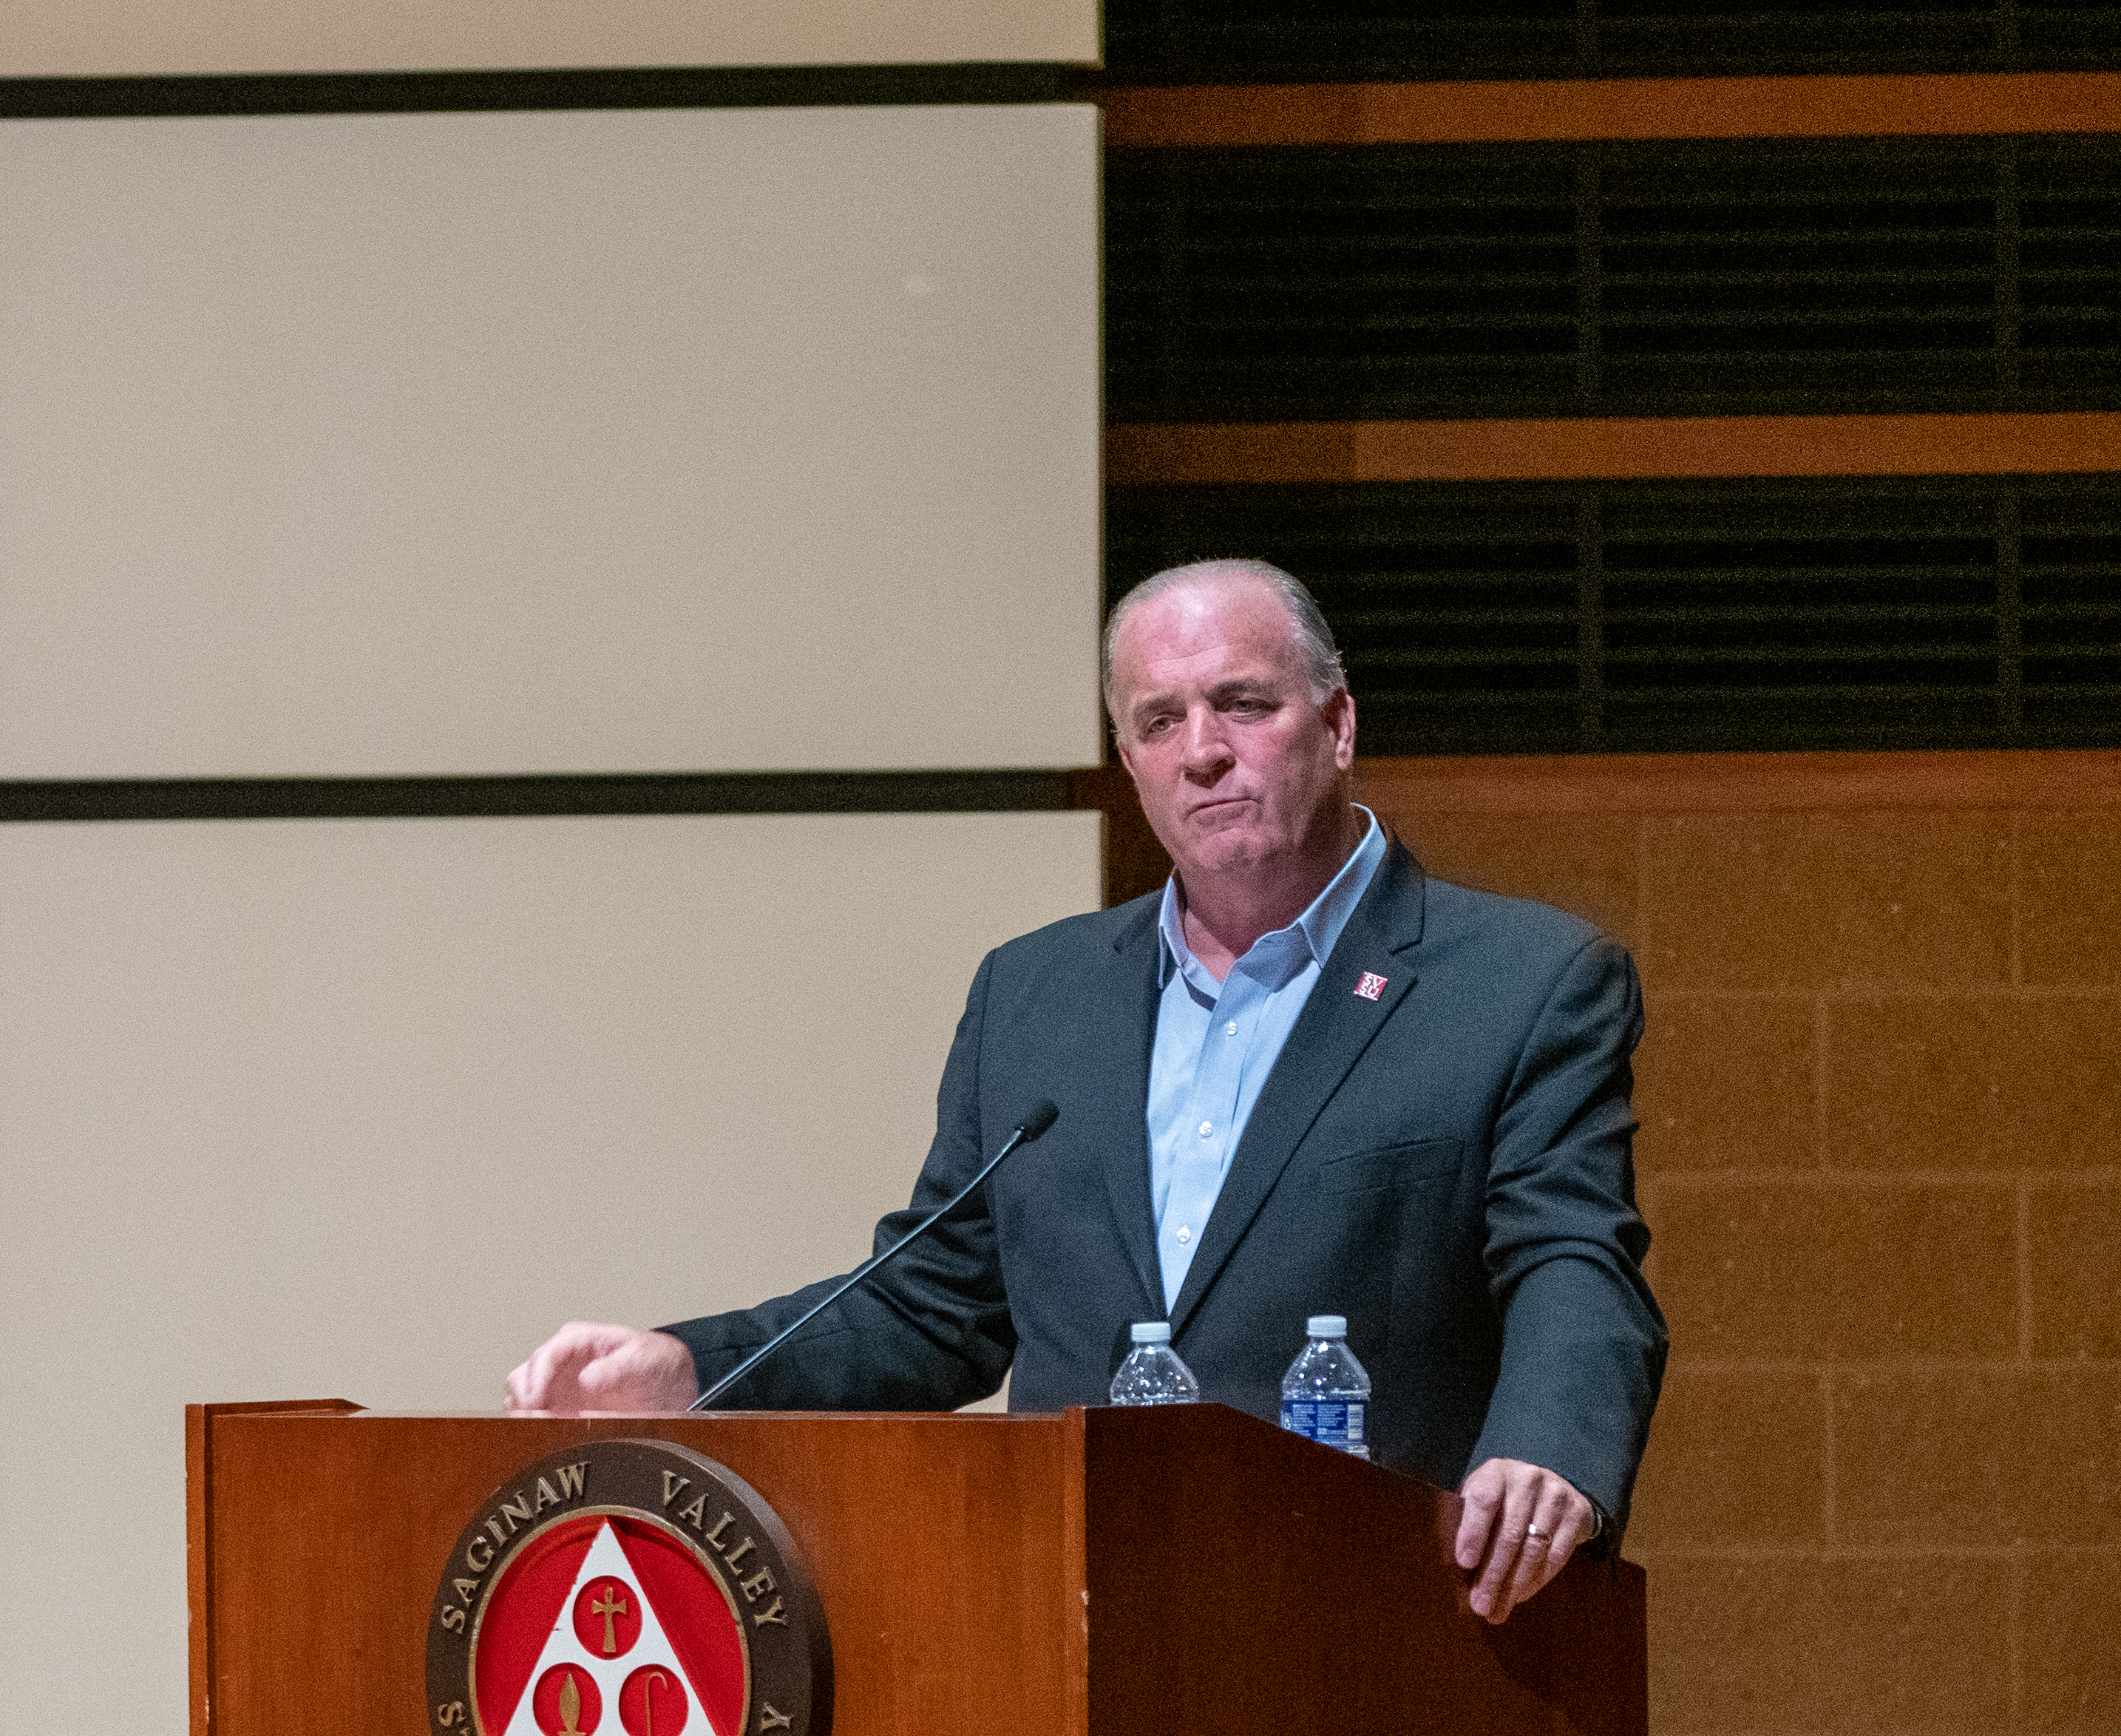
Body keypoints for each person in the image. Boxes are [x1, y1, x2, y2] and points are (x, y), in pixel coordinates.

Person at [504, 558, 1660, 1621]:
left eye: (1243, 705)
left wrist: (1550, 1450)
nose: (1203, 749)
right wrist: (699, 1367)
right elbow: (931, 1307)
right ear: (1132, 765)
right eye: (1161, 721)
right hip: (1072, 1625)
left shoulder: (1518, 985)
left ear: (1339, 723)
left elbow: (1573, 1262)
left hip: (1375, 1625)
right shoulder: (1037, 994)